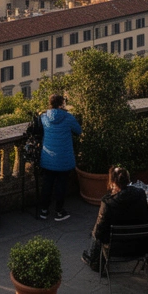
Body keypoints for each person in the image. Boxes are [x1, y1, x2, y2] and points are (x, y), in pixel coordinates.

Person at [81, 165, 148, 272]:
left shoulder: (108, 202)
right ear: (127, 180)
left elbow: (99, 233)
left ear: (113, 183)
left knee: (97, 230)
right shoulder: (140, 194)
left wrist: (95, 232)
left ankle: (94, 261)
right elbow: (146, 218)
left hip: (115, 249)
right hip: (140, 247)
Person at [38, 93, 82, 221]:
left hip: (48, 158)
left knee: (47, 184)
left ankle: (44, 210)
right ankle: (59, 211)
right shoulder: (68, 117)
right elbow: (79, 131)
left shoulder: (44, 117)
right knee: (61, 185)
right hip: (63, 158)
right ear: (61, 104)